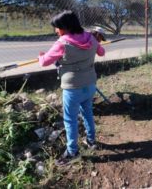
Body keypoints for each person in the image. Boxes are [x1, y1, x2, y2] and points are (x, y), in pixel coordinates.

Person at [38, 10, 105, 165]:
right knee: (87, 112)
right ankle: (91, 141)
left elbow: (44, 62)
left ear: (65, 27)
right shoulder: (91, 38)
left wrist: (41, 56)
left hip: (72, 88)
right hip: (90, 85)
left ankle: (72, 152)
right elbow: (101, 52)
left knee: (70, 120)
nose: (56, 31)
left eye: (57, 27)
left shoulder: (62, 42)